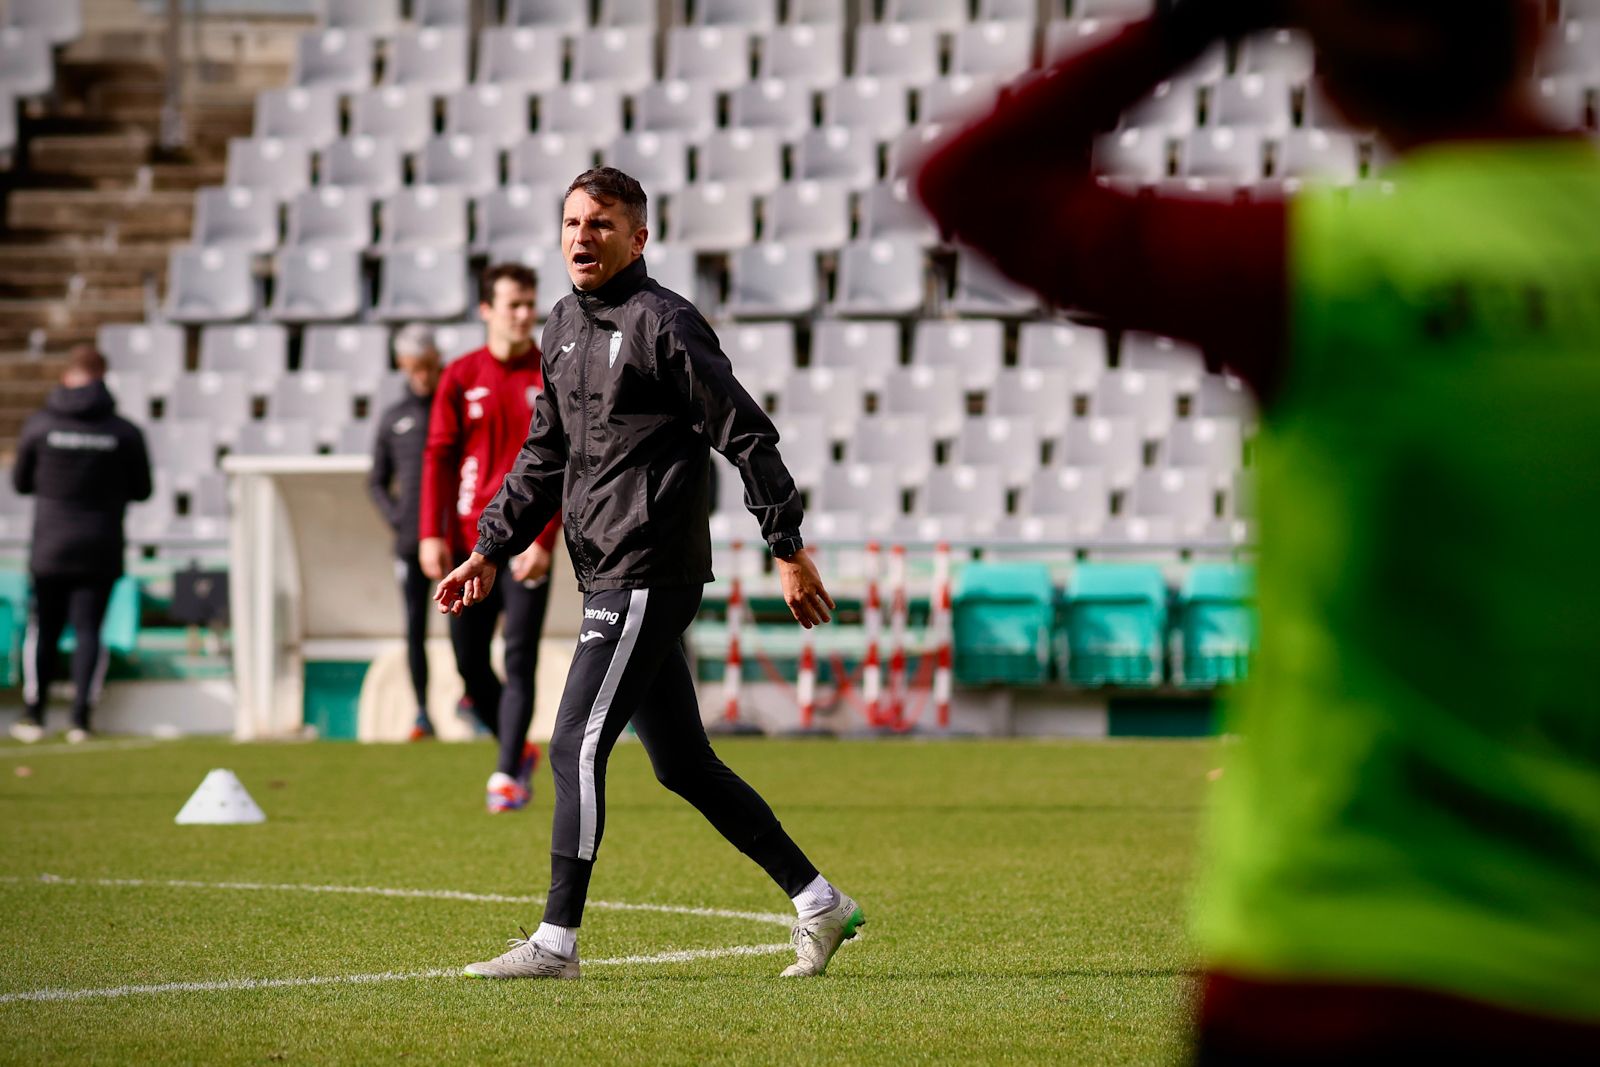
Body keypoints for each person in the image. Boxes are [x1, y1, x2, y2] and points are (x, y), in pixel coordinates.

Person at [916, 0, 1600, 1061]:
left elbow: (974, 184)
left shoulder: (1325, 262)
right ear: (1537, 26)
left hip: (1321, 954)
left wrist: (1193, 20)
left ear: (1327, 85)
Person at [436, 167, 864, 981]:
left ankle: (555, 942)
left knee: (573, 743)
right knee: (683, 763)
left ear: (639, 237)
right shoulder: (558, 327)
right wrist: (490, 548)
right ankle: (820, 901)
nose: (580, 237)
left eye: (600, 224)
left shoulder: (665, 322)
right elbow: (544, 456)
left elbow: (746, 431)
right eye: (570, 222)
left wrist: (786, 545)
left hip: (647, 564)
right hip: (602, 567)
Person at [418, 264, 562, 812]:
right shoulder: (459, 376)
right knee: (469, 663)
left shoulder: (550, 371)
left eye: (531, 304)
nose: (526, 315)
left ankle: (506, 773)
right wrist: (430, 533)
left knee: (520, 656)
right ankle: (516, 746)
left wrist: (546, 541)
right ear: (487, 311)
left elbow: (567, 464)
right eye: (514, 305)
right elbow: (438, 458)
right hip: (466, 546)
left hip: (526, 544)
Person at [10, 344, 152, 743]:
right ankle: (80, 719)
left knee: (44, 628)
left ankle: (33, 716)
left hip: (50, 545)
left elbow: (21, 482)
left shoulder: (40, 426)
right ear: (104, 377)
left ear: (65, 376)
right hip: (101, 543)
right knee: (89, 629)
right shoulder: (123, 431)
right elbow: (143, 490)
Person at [368, 323, 445, 742]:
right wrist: (399, 518)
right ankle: (422, 711)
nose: (422, 374)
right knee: (415, 626)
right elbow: (376, 481)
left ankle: (473, 695)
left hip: (457, 540)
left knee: (470, 625)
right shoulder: (394, 417)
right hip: (410, 543)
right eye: (414, 366)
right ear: (403, 365)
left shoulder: (452, 407)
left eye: (428, 365)